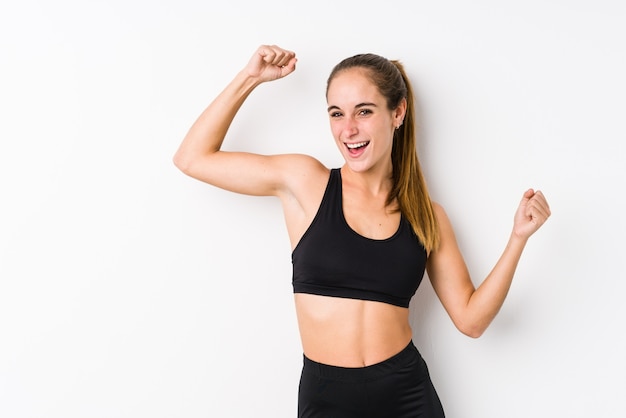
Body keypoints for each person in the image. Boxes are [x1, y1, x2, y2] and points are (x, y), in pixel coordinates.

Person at [173, 44, 551, 417]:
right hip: (327, 399)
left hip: (407, 396)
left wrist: (518, 238)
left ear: (397, 113)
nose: (348, 129)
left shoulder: (426, 216)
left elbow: (471, 321)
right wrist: (249, 78)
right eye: (337, 114)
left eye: (364, 111)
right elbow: (192, 158)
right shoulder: (307, 183)